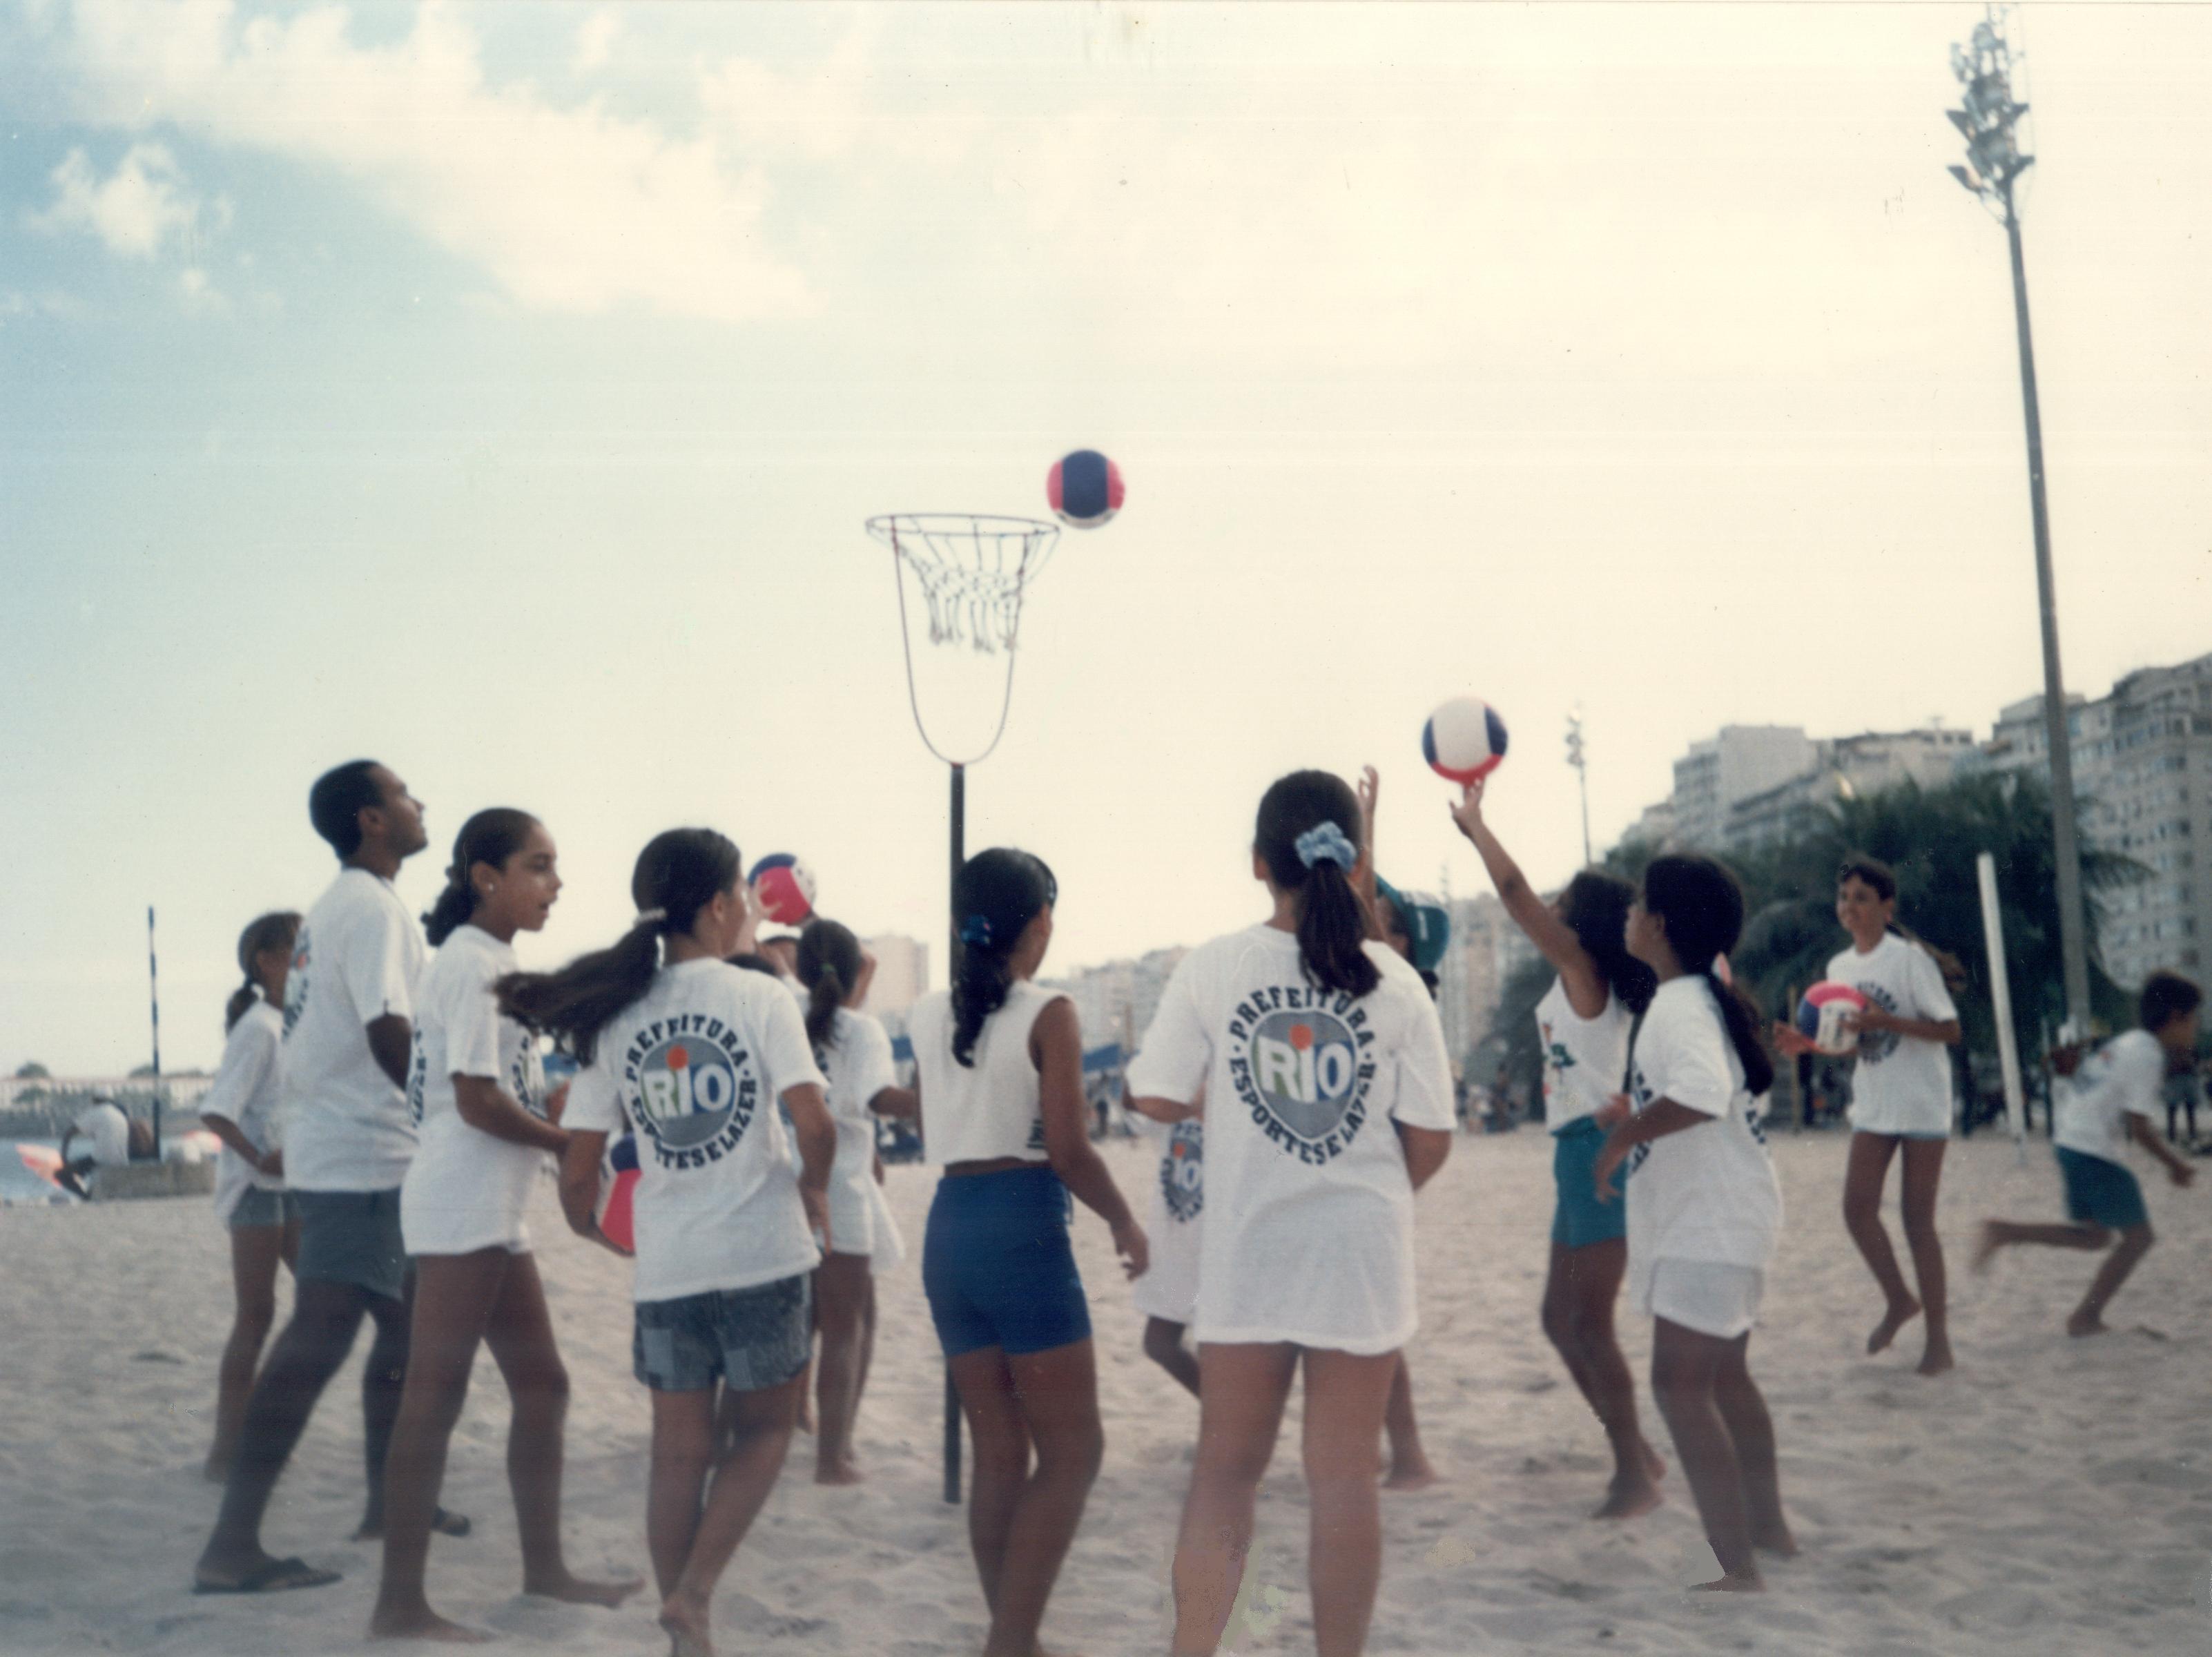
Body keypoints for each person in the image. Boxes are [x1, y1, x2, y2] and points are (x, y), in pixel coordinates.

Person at [1127, 771, 1454, 1657]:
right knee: (1344, 1481)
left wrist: (1229, 1114)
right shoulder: (1397, 980)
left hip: (1252, 1242)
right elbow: (1431, 1138)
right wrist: (1368, 1193)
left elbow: (1153, 1095)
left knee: (1226, 1473)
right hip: (1360, 1250)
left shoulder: (1215, 966)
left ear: (1259, 863)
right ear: (1356, 865)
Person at [534, 828, 836, 1657]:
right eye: (741, 892)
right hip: (763, 1255)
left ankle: (685, 1637)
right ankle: (695, 1593)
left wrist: (596, 1234)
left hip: (669, 1268)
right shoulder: (761, 997)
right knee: (766, 1431)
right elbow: (815, 1124)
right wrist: (814, 1187)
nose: (746, 906)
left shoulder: (617, 1016)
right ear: (717, 906)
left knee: (676, 1456)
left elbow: (579, 1169)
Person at [369, 810, 640, 1640]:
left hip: (487, 1200)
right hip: (462, 1197)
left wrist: (555, 1128)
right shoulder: (471, 964)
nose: (556, 884)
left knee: (543, 1386)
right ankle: (399, 1606)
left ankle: (545, 1572)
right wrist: (566, 1145)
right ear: (487, 877)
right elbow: (476, 1102)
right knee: (434, 1396)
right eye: (539, 866)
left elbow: (498, 1093)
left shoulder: (489, 959)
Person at [196, 760, 437, 1596]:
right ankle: (231, 1547)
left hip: (349, 1151)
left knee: (400, 1329)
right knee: (318, 1336)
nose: (419, 803)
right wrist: (439, 1116)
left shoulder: (341, 908)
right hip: (363, 1155)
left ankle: (385, 1503)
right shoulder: (369, 908)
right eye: (404, 793)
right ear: (371, 818)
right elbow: (387, 1029)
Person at [910, 848, 1147, 1657]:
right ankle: (1011, 1641)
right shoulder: (1051, 1012)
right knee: (1075, 1452)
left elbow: (933, 1115)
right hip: (1021, 1228)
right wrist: (1124, 1220)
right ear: (1041, 921)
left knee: (999, 1453)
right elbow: (1071, 1153)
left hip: (949, 1230)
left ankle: (1013, 1634)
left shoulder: (926, 1013)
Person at [1451, 773, 1665, 1519]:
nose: (1554, 906)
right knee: (1559, 1321)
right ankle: (1634, 1450)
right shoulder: (1586, 977)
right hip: (1573, 1157)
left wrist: (1477, 827)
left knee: (1591, 1327)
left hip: (1597, 1156)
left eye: (1565, 901)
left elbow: (1513, 894)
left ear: (1582, 919)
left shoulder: (1584, 969)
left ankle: (1634, 1474)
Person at [1593, 853, 1792, 1593]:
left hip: (1708, 1225)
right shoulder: (1701, 998)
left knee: (1679, 1388)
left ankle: (1733, 1563)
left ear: (1659, 924)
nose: (1628, 913)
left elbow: (1704, 1095)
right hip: (1735, 1216)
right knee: (1726, 1378)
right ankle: (1767, 1531)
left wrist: (1622, 1138)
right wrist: (1638, 1113)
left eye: (1638, 902)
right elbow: (1706, 1095)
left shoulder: (1679, 1003)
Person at [1773, 857, 1963, 1377]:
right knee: (1856, 1211)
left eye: (1861, 897)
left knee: (1917, 1222)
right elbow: (1855, 1042)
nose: (1849, 907)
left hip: (1922, 1100)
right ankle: (1899, 1299)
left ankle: (1939, 1343)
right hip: (1875, 1101)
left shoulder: (1910, 961)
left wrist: (1889, 1020)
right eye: (1844, 898)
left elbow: (1950, 1030)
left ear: (1887, 907)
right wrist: (1809, 1044)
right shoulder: (1839, 969)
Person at [1974, 971, 2200, 1335]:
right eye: (2194, 1019)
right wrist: (2176, 1166)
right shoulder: (2148, 1055)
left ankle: (2006, 1232)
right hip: (2093, 1151)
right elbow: (2141, 1129)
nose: (2195, 1028)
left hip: (2071, 1142)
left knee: (2096, 1237)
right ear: (2177, 1017)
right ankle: (2085, 1318)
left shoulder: (2128, 1042)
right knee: (2139, 1239)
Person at [793, 917, 915, 1485]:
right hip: (839, 1186)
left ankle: (812, 1427)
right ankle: (832, 1458)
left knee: (823, 1317)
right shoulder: (862, 1031)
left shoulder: (785, 1014)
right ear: (854, 971)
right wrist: (941, 1100)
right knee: (848, 1327)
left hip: (792, 1180)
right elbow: (879, 1098)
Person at [198, 910, 304, 1482]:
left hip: (295, 1187)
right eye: (300, 951)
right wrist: (260, 1156)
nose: (312, 963)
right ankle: (226, 1450)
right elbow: (218, 1111)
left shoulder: (295, 1024)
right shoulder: (259, 1028)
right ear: (267, 962)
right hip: (255, 1191)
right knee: (257, 1316)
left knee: (323, 1301)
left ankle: (258, 1433)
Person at [54, 1096, 147, 1198]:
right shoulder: (123, 1119)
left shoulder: (98, 1113)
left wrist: (64, 1160)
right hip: (123, 1162)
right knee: (88, 1165)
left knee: (61, 1174)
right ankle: (89, 1192)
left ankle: (86, 1197)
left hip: (103, 1162)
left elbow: (69, 1133)